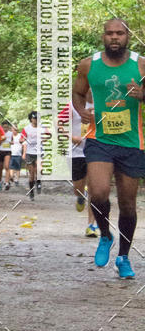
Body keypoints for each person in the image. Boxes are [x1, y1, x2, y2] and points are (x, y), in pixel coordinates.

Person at [73, 18, 145, 279]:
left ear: (128, 36)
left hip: (131, 142)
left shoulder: (140, 64)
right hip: (99, 139)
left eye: (120, 33)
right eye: (109, 33)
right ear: (102, 36)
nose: (114, 37)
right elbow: (78, 93)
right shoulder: (88, 65)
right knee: (100, 193)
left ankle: (124, 257)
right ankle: (105, 235)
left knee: (127, 204)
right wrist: (82, 112)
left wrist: (143, 95)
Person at [58, 93, 99, 237]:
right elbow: (58, 124)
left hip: (96, 151)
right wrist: (71, 137)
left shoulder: (102, 102)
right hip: (76, 153)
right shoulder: (72, 105)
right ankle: (81, 196)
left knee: (95, 189)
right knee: (78, 187)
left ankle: (91, 225)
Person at [20, 112, 51, 200]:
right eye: (34, 118)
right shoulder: (26, 128)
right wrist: (22, 140)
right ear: (31, 119)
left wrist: (44, 139)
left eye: (37, 118)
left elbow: (49, 135)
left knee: (39, 169)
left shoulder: (43, 127)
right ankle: (31, 192)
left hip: (39, 152)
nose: (36, 120)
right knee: (31, 174)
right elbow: (21, 139)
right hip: (29, 153)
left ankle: (39, 181)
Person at [0, 120, 13, 191]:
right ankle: (0, 181)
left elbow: (12, 141)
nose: (5, 129)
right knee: (0, 168)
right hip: (0, 151)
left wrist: (11, 142)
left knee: (6, 166)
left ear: (8, 127)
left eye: (6, 127)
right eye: (4, 127)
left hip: (7, 152)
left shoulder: (10, 133)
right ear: (1, 127)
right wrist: (1, 140)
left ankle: (6, 183)